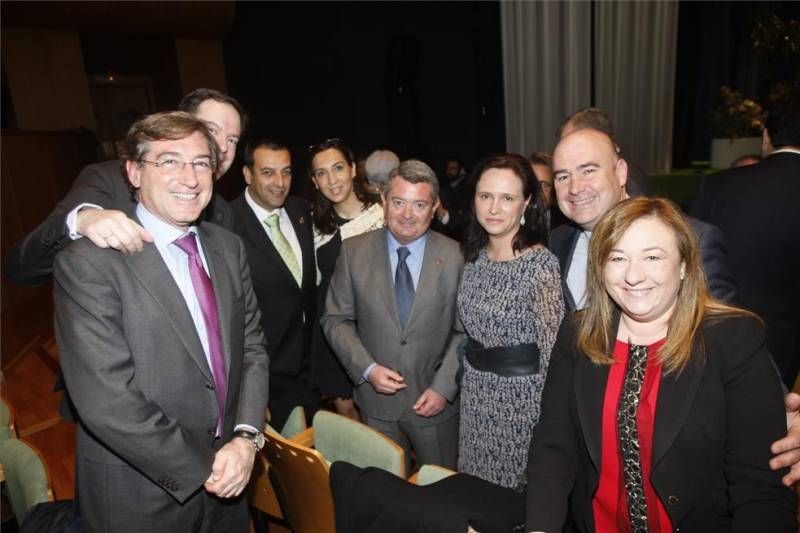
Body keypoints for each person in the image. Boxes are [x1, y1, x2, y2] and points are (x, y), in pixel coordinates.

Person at [525, 197, 796, 532]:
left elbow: (759, 489)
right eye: (618, 258)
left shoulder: (732, 339)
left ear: (684, 265)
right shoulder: (577, 334)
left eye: (652, 257)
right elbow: (554, 446)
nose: (633, 275)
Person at [53, 112, 270, 532]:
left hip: (232, 483)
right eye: (169, 161)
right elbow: (106, 402)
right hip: (142, 496)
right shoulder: (89, 264)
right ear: (134, 171)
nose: (189, 178)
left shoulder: (228, 248)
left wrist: (245, 439)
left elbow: (252, 348)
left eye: (201, 163)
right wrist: (202, 465)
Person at [4, 88, 245, 286]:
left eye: (233, 139)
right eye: (211, 130)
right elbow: (21, 269)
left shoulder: (222, 212)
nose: (223, 148)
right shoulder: (107, 180)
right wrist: (80, 220)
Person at [321, 160, 463, 471]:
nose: (407, 215)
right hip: (376, 404)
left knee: (441, 496)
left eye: (419, 204)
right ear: (383, 201)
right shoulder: (353, 251)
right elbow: (335, 319)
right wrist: (366, 368)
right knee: (385, 499)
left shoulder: (457, 256)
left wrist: (443, 387)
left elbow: (464, 331)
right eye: (398, 202)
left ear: (435, 206)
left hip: (435, 405)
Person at [457, 153, 564, 489]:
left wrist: (549, 429)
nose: (493, 208)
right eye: (485, 195)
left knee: (511, 506)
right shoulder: (474, 256)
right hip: (475, 398)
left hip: (521, 407)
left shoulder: (540, 266)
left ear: (527, 203)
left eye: (507, 198)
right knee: (475, 496)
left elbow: (553, 355)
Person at [550, 128, 737, 312]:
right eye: (563, 177)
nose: (574, 188)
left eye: (588, 171)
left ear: (621, 172)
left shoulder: (693, 238)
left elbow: (722, 331)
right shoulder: (557, 242)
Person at [691, 109, 800, 390]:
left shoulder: (719, 185)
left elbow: (689, 257)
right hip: (788, 343)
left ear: (766, 137)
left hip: (712, 330)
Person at [229, 139, 319, 431]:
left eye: (287, 172)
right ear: (247, 174)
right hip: (267, 374)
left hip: (311, 366)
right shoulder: (226, 226)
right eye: (268, 172)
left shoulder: (302, 211)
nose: (280, 183)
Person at [308, 138, 384, 421]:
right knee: (346, 413)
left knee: (377, 413)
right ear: (315, 181)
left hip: (372, 328)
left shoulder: (383, 216)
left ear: (353, 170)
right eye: (322, 173)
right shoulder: (315, 224)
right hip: (333, 329)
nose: (332, 179)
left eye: (338, 168)